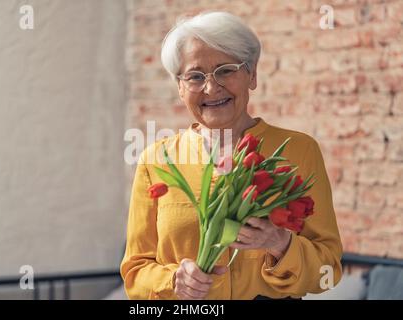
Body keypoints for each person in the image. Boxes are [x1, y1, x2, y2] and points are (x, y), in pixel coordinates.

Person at [120, 11, 343, 300]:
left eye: (226, 70)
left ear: (252, 75)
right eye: (195, 76)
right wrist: (173, 279)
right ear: (179, 87)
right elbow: (135, 273)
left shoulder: (299, 150)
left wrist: (281, 244)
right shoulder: (156, 160)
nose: (211, 88)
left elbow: (328, 270)